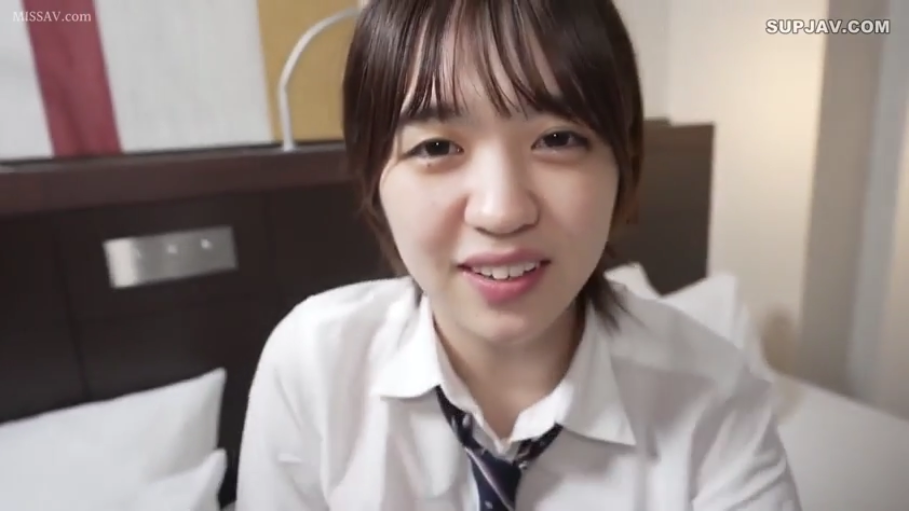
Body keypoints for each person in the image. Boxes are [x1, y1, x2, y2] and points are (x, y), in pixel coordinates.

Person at [236, 0, 802, 509]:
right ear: (373, 176)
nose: (501, 211)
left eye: (557, 139)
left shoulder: (714, 398)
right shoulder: (315, 368)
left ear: (624, 163)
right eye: (437, 146)